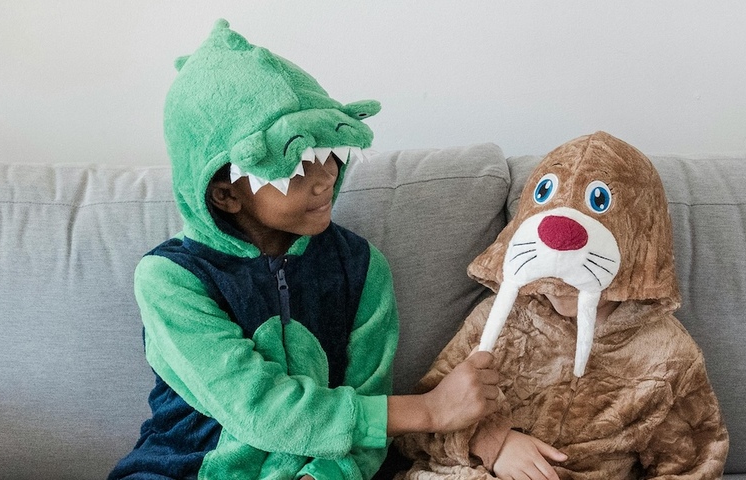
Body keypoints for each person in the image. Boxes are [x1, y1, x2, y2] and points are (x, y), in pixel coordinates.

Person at [108, 19, 500, 480]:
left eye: (327, 153)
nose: (325, 177)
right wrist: (429, 411)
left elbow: (367, 398)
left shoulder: (360, 266)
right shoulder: (171, 278)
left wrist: (325, 475)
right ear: (226, 195)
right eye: (295, 167)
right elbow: (260, 409)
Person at [396, 132, 729, 479]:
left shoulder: (668, 356)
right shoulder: (496, 321)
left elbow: (693, 464)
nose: (561, 285)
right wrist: (495, 445)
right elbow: (420, 424)